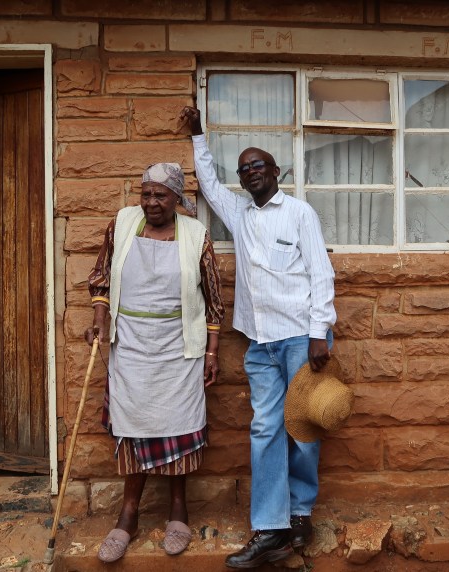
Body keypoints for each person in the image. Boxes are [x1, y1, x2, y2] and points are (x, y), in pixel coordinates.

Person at [179, 106, 337, 569]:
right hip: (259, 341)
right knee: (266, 429)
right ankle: (271, 528)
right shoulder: (239, 212)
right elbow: (209, 184)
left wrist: (318, 333)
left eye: (257, 166)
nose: (249, 173)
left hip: (299, 338)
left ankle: (301, 512)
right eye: (243, 169)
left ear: (276, 171)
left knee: (304, 429)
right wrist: (198, 136)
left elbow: (321, 274)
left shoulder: (299, 213)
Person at [85, 162, 224, 563]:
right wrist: (99, 319)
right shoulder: (123, 223)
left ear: (177, 199)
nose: (151, 202)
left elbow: (214, 300)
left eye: (160, 195)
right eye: (146, 194)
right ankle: (128, 515)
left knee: (177, 427)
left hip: (179, 348)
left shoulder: (196, 236)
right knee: (133, 427)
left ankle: (178, 510)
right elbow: (101, 277)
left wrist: (212, 353)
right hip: (129, 343)